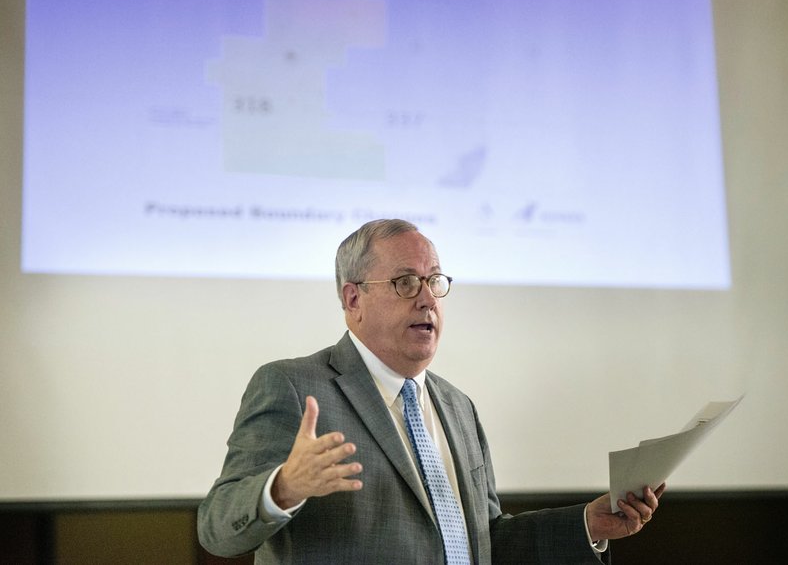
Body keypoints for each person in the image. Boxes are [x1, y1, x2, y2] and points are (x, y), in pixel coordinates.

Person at [197, 218, 665, 564]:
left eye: (433, 282)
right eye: (404, 283)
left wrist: (588, 524)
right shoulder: (295, 387)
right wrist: (283, 488)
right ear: (353, 299)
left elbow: (487, 541)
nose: (426, 298)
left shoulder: (457, 407)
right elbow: (217, 529)